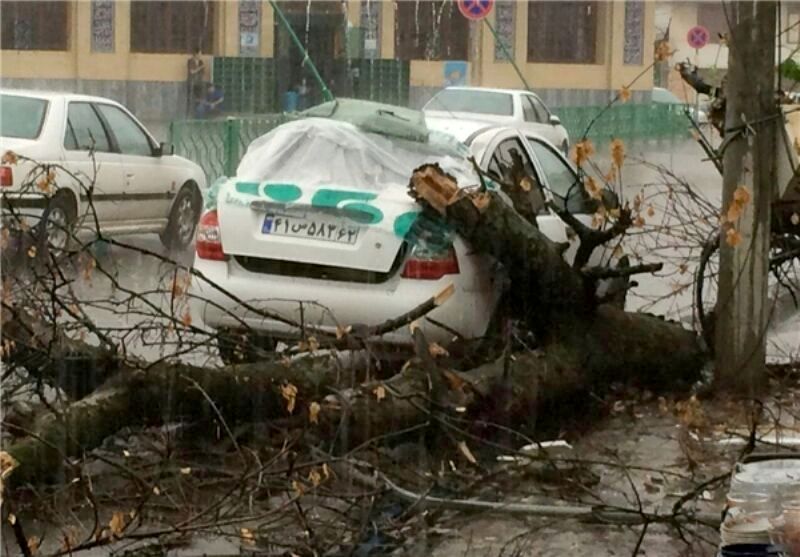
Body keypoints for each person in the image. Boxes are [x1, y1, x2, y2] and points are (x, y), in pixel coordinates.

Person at [187, 48, 206, 115]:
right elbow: (192, 71)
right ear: (195, 54)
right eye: (199, 54)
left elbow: (203, 72)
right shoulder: (190, 61)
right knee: (190, 98)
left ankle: (199, 114)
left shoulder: (201, 62)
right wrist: (200, 67)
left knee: (200, 98)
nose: (200, 55)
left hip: (199, 82)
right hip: (192, 82)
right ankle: (189, 114)